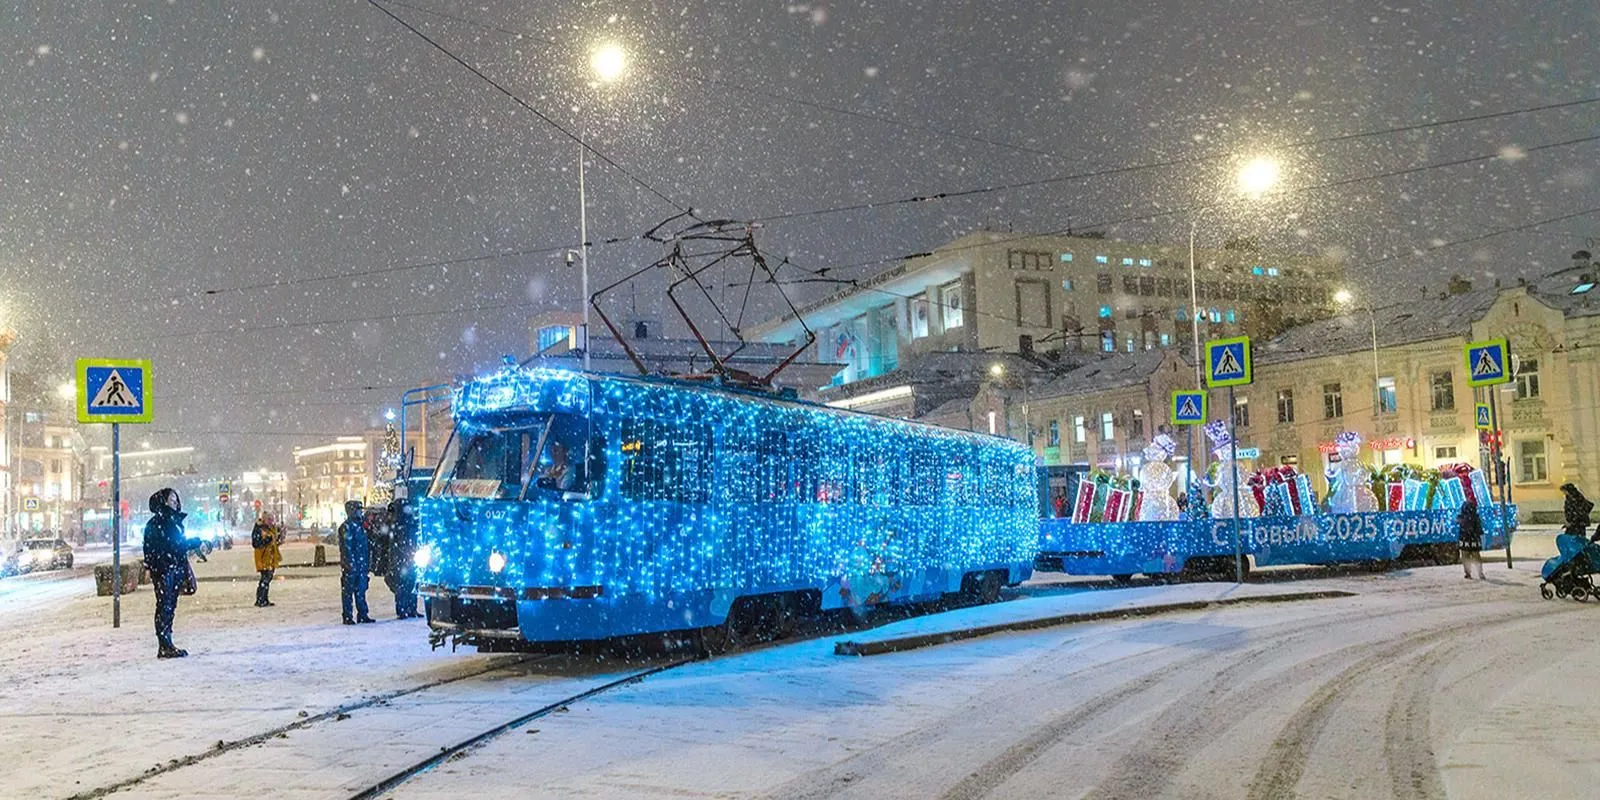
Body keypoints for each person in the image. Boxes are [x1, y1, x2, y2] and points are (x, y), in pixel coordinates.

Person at [143, 488, 200, 658]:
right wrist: (191, 543)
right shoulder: (159, 522)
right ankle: (164, 644)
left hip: (172, 567)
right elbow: (172, 545)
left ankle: (167, 642)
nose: (175, 502)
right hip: (164, 569)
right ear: (163, 502)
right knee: (165, 606)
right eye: (171, 499)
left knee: (169, 606)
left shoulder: (170, 521)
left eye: (176, 498)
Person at [338, 500, 375, 624]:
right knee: (348, 592)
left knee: (361, 590)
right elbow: (346, 548)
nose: (360, 512)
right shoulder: (347, 527)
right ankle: (348, 616)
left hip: (361, 564)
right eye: (358, 509)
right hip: (352, 565)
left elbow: (368, 544)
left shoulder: (361, 526)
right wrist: (350, 563)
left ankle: (363, 614)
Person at [387, 496, 420, 619]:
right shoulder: (397, 524)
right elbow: (394, 544)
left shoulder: (410, 523)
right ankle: (402, 609)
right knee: (403, 586)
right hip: (401, 560)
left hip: (410, 558)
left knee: (411, 584)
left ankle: (411, 609)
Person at [251, 511, 283, 607]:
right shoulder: (259, 528)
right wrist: (266, 541)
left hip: (271, 557)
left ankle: (264, 599)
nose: (271, 521)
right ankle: (260, 599)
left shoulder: (270, 528)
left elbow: (274, 542)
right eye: (269, 519)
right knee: (265, 579)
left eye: (272, 520)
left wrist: (279, 538)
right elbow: (256, 543)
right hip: (263, 558)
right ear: (264, 519)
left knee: (267, 579)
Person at [1457, 498, 1485, 580]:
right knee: (1476, 556)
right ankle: (1480, 573)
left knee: (1465, 556)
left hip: (1464, 539)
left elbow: (1457, 522)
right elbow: (1479, 529)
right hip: (1474, 539)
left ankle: (1467, 573)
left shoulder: (1461, 517)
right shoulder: (1475, 517)